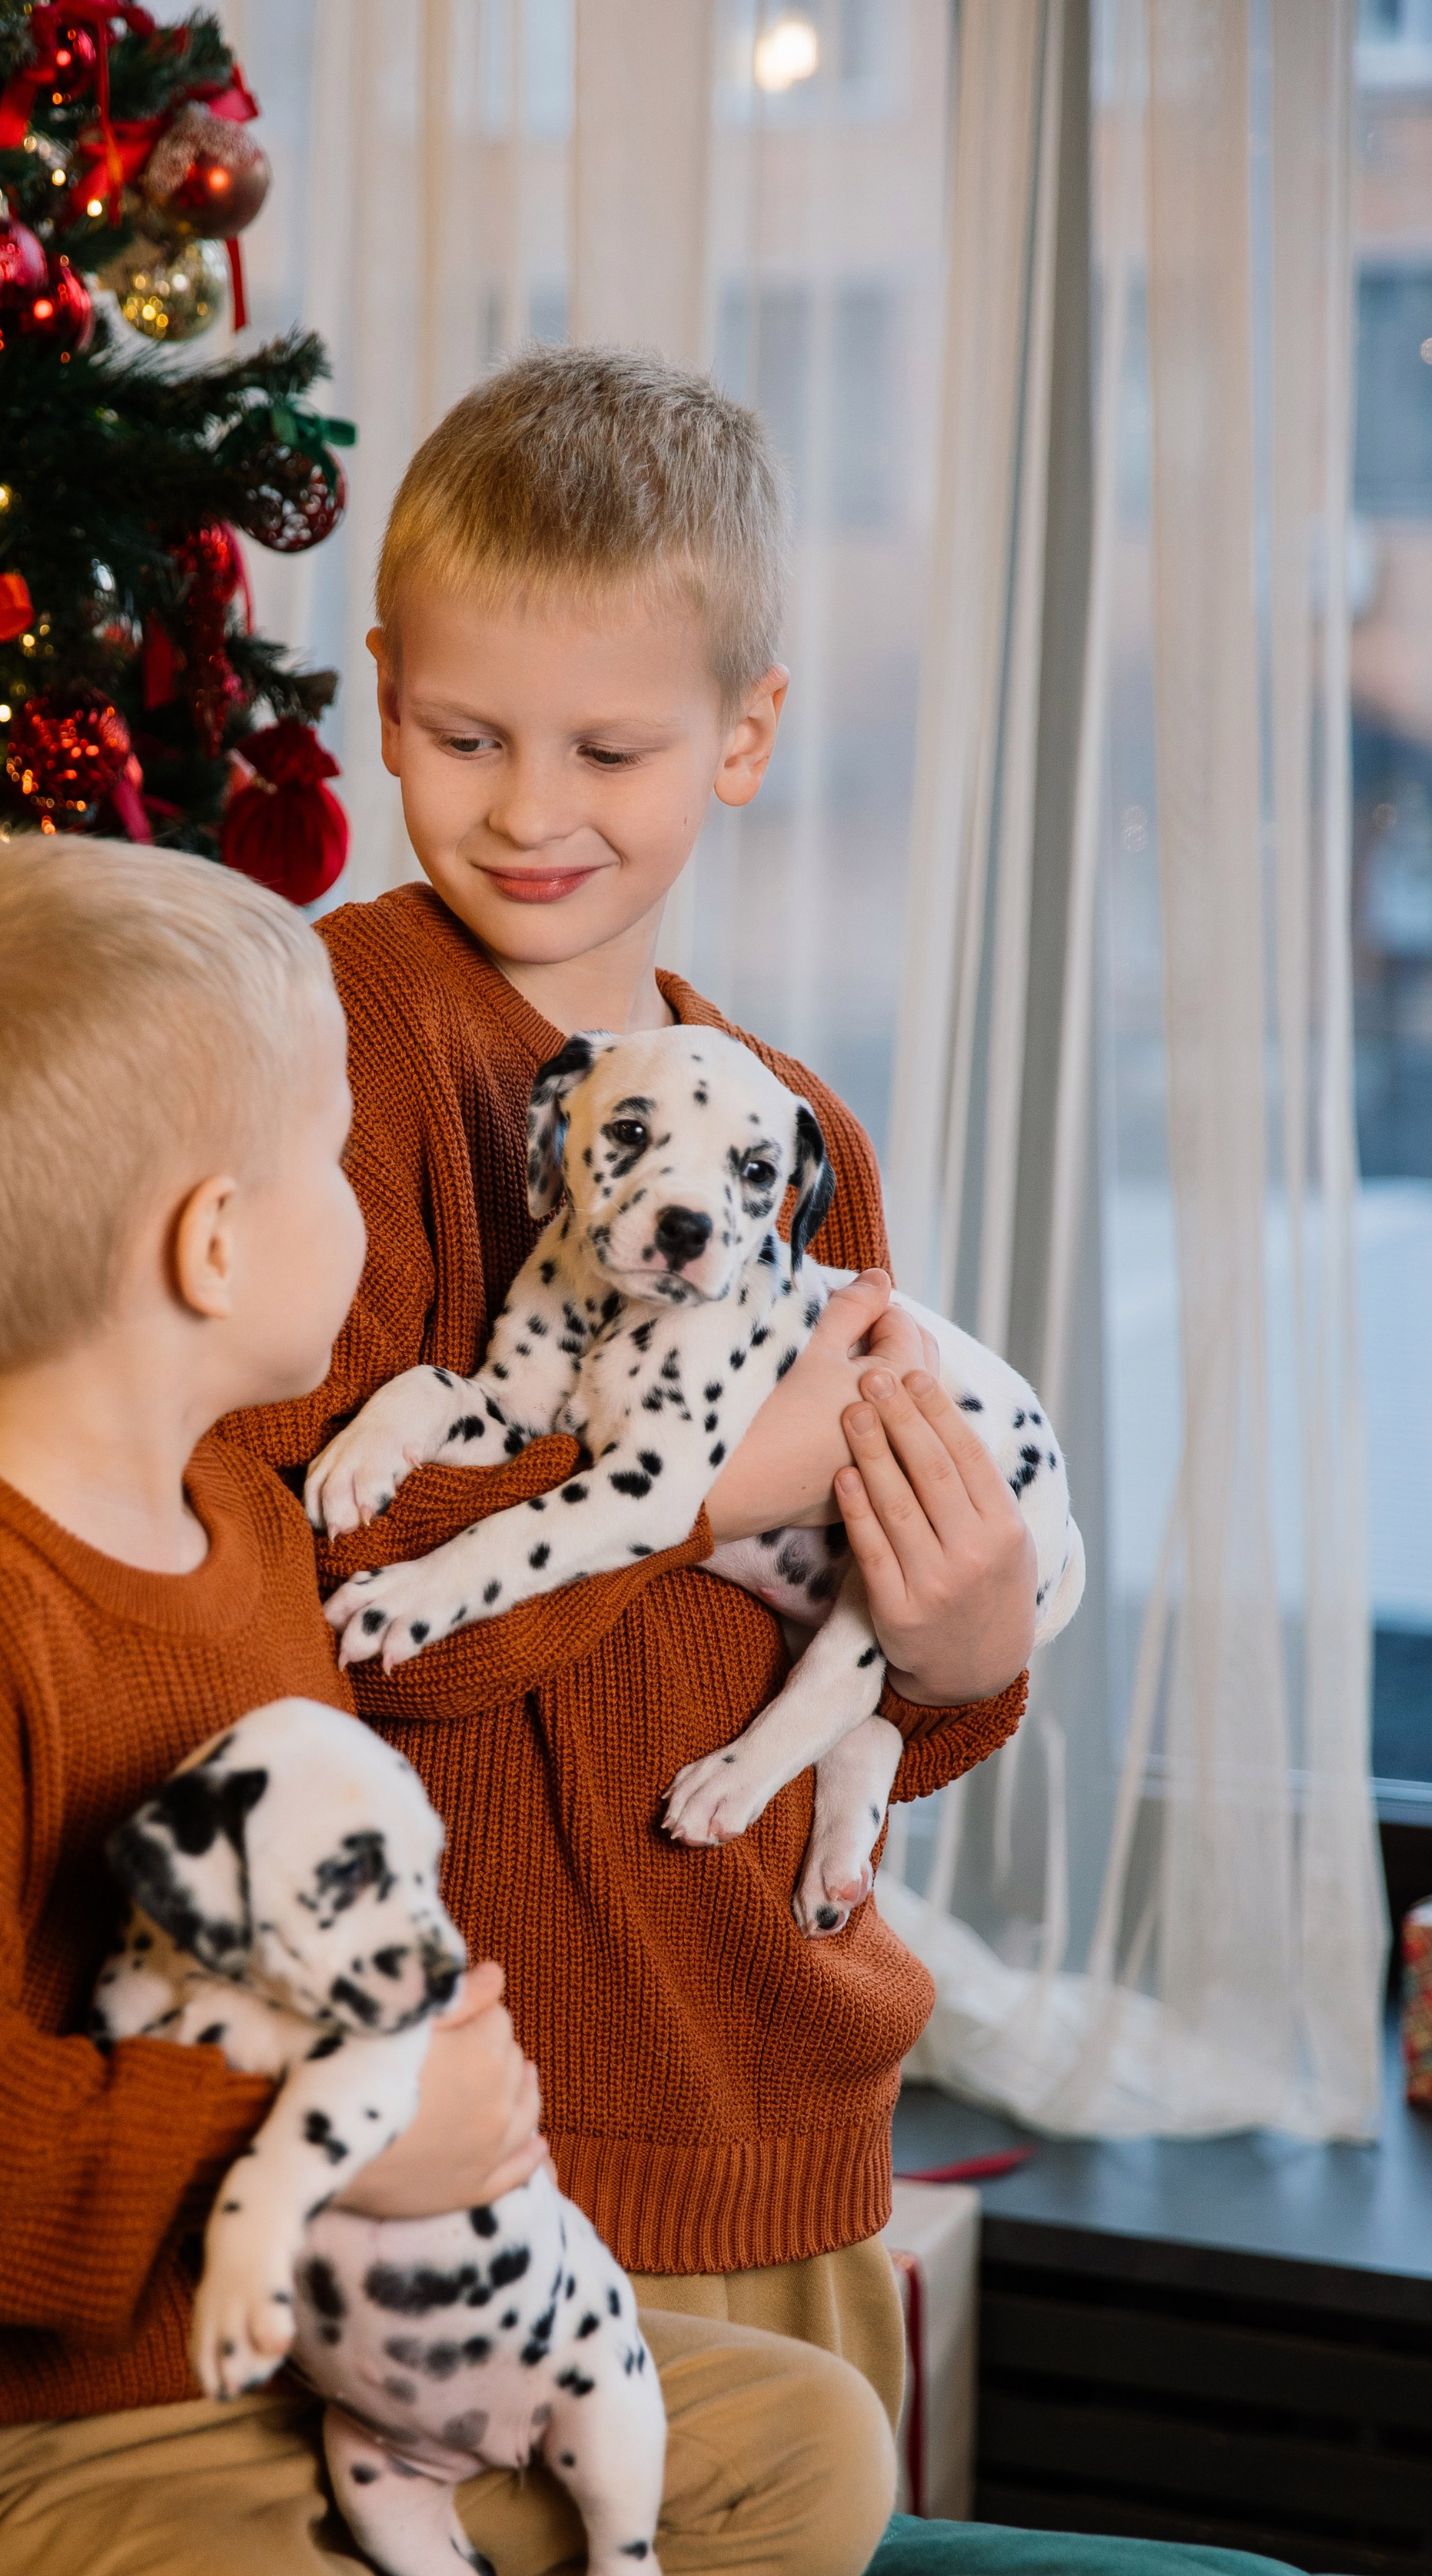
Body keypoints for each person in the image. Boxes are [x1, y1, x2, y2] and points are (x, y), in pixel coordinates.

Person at [0, 834, 898, 2576]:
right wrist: (318, 2140)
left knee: (817, 2458)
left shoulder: (251, 1531)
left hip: (304, 2365)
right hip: (20, 2437)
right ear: (214, 1245)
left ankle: (345, 2563)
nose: (371, 1208)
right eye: (332, 1166)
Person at [230, 349, 1038, 2423]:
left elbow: (869, 1652)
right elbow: (312, 1611)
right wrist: (702, 1480)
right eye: (469, 735)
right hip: (453, 2122)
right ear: (384, 691)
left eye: (610, 747)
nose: (530, 808)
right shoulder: (334, 1050)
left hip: (772, 2099)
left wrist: (967, 1652)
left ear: (745, 734)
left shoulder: (792, 1132)